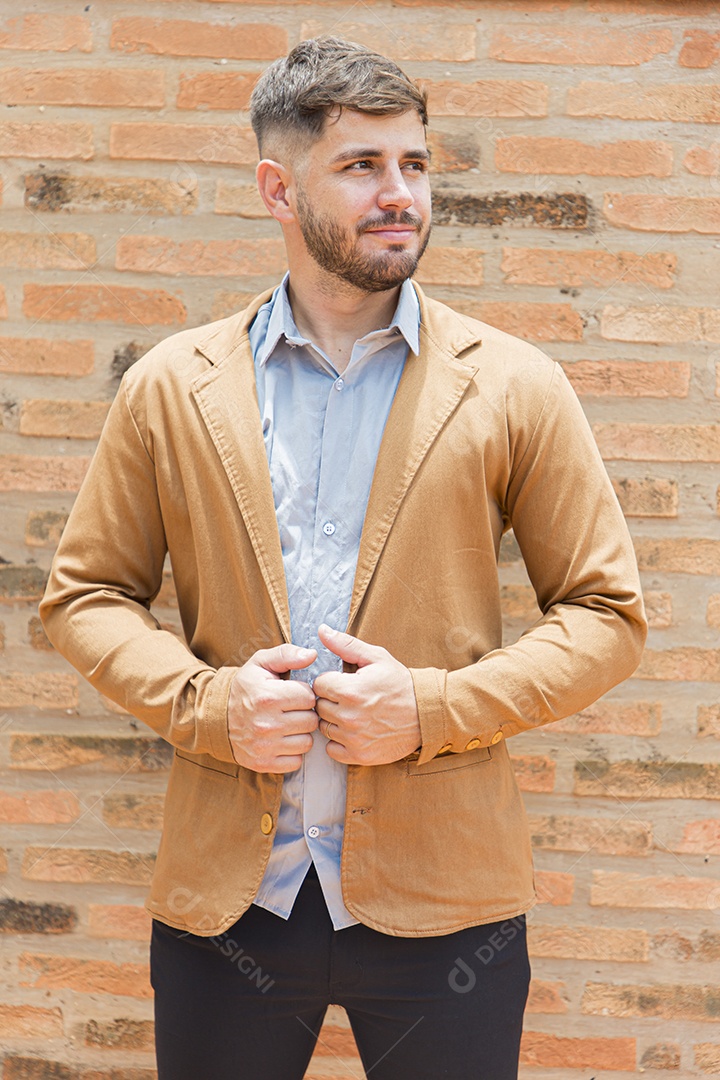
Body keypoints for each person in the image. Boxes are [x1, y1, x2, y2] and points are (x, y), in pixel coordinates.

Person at [40, 36, 647, 1080]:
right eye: (362, 167)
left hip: (448, 910)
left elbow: (607, 613)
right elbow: (84, 596)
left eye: (413, 165)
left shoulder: (512, 384)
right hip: (230, 908)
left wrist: (434, 706)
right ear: (280, 188)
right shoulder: (172, 384)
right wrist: (205, 703)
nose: (399, 193)